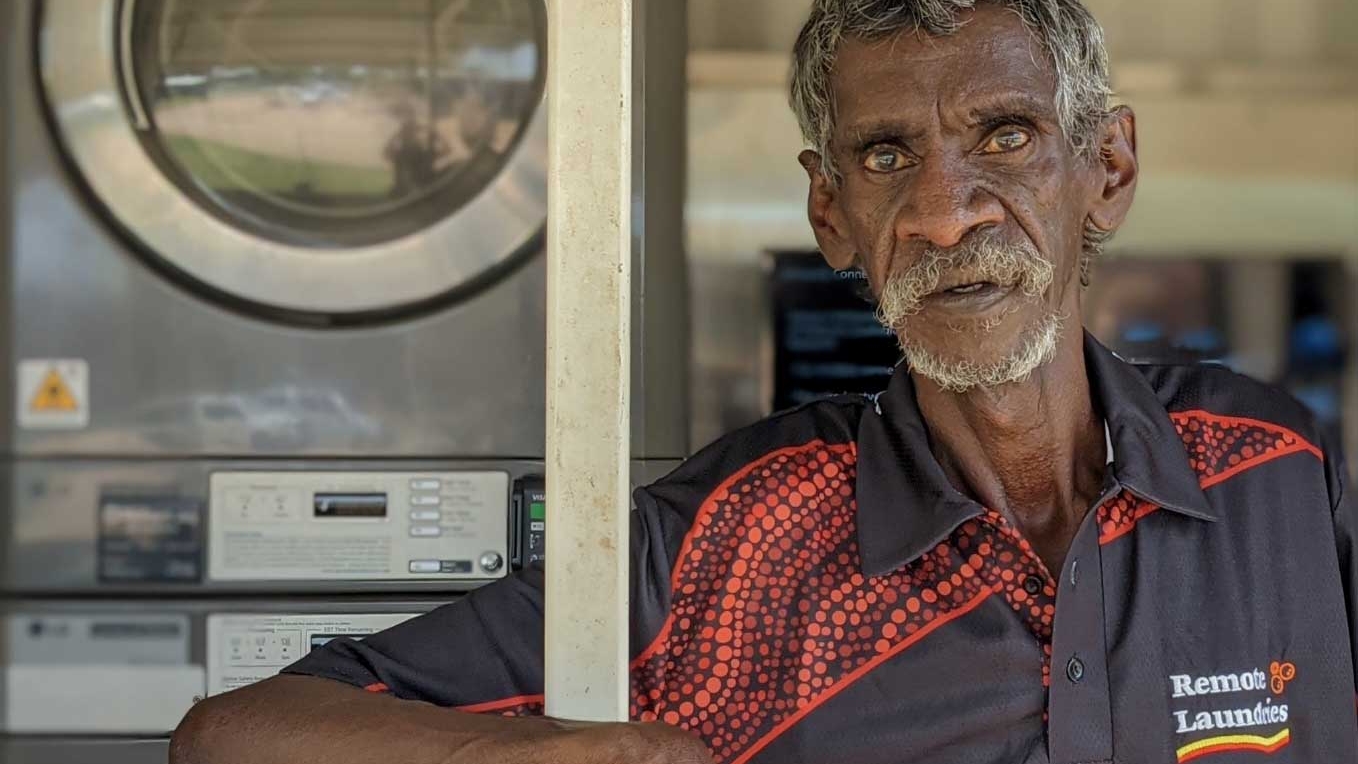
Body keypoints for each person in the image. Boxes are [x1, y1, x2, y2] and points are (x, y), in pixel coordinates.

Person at [170, 1, 1358, 762]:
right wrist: (547, 751)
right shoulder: (724, 539)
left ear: (1104, 169)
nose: (943, 213)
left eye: (1003, 135)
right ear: (830, 211)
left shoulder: (1278, 470)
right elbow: (234, 733)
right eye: (886, 155)